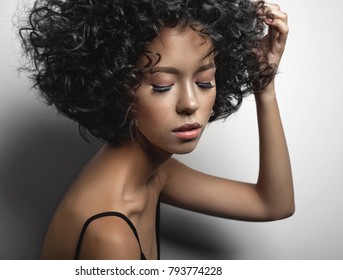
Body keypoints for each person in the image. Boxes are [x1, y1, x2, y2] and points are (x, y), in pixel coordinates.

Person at [19, 0, 294, 260]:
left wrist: (264, 83)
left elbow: (272, 204)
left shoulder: (155, 173)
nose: (190, 103)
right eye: (163, 85)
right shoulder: (110, 235)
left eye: (205, 81)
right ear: (117, 85)